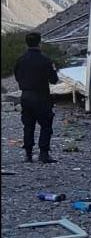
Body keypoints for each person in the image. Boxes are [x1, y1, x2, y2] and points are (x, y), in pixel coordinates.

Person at [13, 31, 59, 163]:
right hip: (41, 96)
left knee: (28, 125)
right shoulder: (46, 60)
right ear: (40, 43)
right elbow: (54, 80)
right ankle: (43, 154)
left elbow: (17, 76)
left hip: (26, 96)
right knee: (46, 124)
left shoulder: (20, 59)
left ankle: (28, 154)